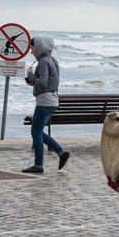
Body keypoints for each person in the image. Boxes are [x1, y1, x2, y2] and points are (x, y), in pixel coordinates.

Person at [22, 36, 69, 174]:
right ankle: (61, 153)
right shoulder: (53, 60)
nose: (31, 51)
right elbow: (50, 81)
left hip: (44, 101)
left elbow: (42, 82)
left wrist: (30, 75)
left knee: (35, 132)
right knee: (38, 131)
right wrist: (32, 81)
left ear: (40, 47)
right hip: (52, 99)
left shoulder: (43, 62)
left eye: (32, 47)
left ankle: (38, 165)